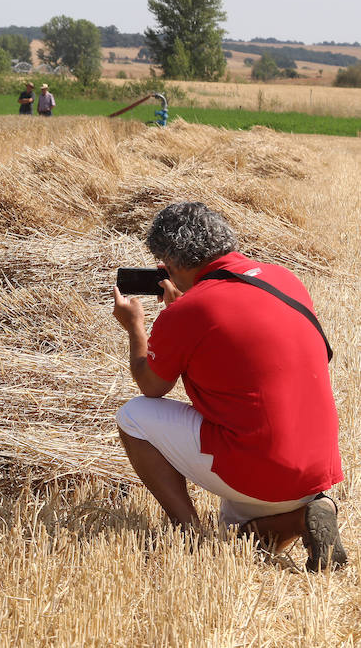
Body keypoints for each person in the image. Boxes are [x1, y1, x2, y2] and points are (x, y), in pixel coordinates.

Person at [112, 202, 345, 569]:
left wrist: (136, 328)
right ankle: (303, 516)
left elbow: (152, 386)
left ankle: (188, 531)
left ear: (173, 262)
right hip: (316, 470)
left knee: (134, 416)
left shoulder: (188, 312)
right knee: (238, 533)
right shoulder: (285, 278)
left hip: (260, 469)